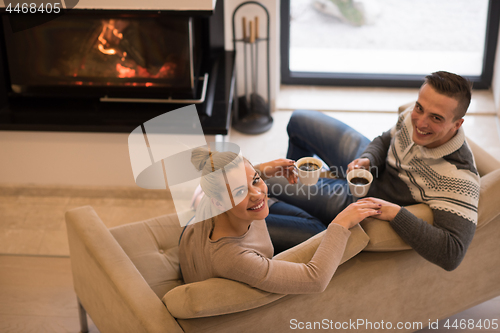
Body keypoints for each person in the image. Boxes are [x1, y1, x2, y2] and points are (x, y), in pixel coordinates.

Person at [268, 71, 480, 271]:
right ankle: (296, 202)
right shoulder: (415, 115)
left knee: (268, 181)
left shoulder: (458, 179)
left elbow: (452, 254)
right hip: (371, 168)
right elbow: (385, 139)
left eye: (436, 118)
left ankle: (303, 218)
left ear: (457, 124)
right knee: (299, 121)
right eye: (419, 108)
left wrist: (396, 213)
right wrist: (368, 159)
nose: (420, 122)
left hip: (367, 199)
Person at [178, 147, 383, 294]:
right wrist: (340, 223)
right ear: (219, 203)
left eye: (256, 180)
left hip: (191, 237)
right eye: (240, 191)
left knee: (307, 221)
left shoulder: (215, 199)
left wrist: (262, 170)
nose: (258, 194)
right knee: (318, 229)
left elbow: (238, 185)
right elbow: (315, 280)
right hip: (204, 258)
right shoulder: (233, 258)